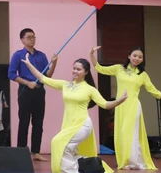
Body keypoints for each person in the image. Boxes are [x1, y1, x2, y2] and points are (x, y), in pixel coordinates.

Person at [22, 54, 127, 173]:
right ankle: (88, 166)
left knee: (60, 144)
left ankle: (73, 171)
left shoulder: (90, 89)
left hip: (82, 124)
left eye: (79, 69)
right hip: (69, 124)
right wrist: (29, 65)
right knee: (68, 149)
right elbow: (43, 78)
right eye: (74, 68)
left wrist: (119, 101)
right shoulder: (66, 85)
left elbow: (105, 104)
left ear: (86, 72)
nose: (75, 71)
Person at [90, 46, 161, 170]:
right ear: (129, 56)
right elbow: (99, 68)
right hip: (120, 106)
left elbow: (154, 91)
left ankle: (131, 161)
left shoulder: (142, 75)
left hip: (133, 106)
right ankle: (126, 160)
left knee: (129, 133)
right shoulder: (119, 68)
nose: (137, 58)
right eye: (135, 56)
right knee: (122, 134)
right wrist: (91, 54)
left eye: (140, 57)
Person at [8, 28, 58, 161]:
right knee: (24, 121)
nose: (32, 39)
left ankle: (36, 152)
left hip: (39, 91)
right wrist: (27, 83)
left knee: (38, 122)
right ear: (22, 39)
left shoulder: (41, 55)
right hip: (25, 91)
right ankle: (21, 152)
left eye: (34, 37)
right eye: (29, 37)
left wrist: (54, 64)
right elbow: (11, 74)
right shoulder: (18, 55)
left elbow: (47, 76)